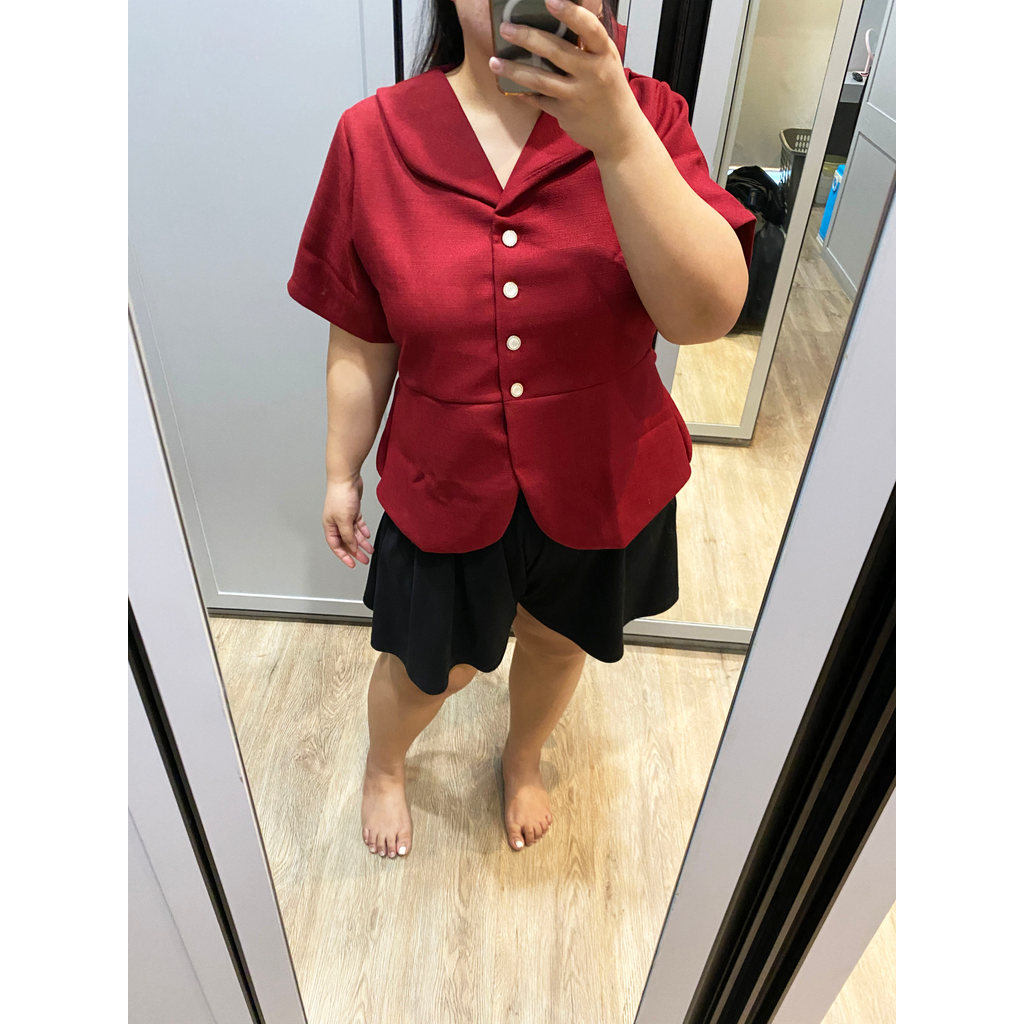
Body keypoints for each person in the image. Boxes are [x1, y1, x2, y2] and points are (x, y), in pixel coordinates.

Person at [287, 0, 755, 862]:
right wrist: (340, 471)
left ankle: (523, 756)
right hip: (446, 481)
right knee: (427, 666)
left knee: (558, 639)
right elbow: (359, 331)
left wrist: (618, 139)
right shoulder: (372, 138)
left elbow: (705, 316)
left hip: (604, 473)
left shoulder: (648, 118)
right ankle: (385, 765)